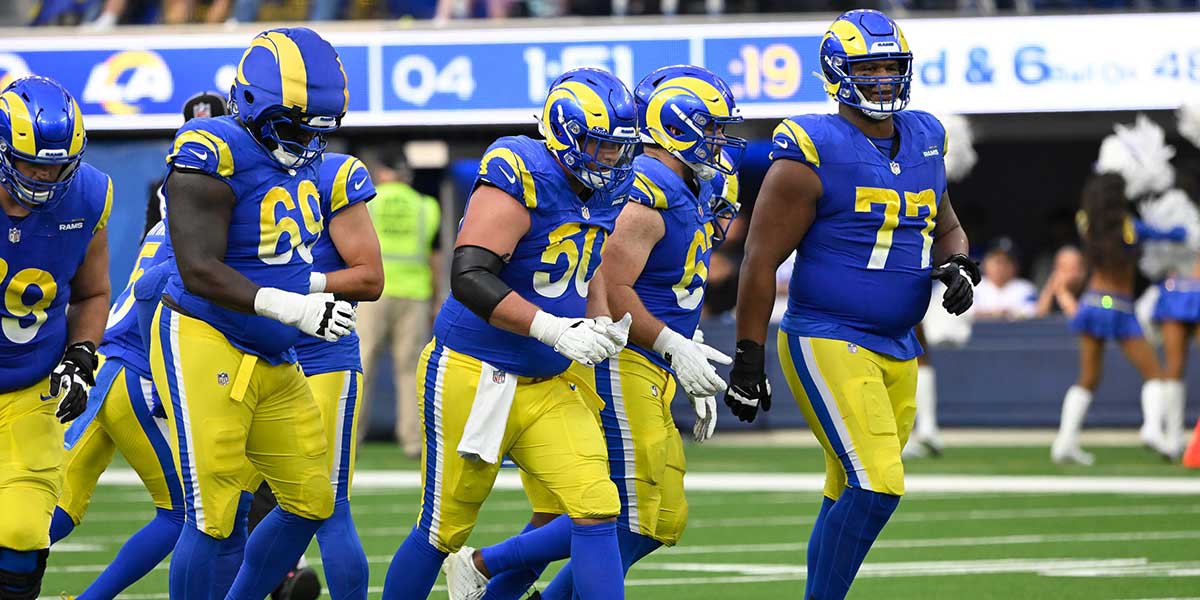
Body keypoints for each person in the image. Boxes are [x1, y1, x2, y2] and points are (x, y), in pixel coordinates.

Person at [451, 65, 744, 600]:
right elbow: (606, 278)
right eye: (713, 128)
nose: (721, 143)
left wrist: (686, 347)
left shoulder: (683, 181)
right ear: (677, 122)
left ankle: (490, 570)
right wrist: (667, 344)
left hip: (651, 362)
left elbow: (668, 285)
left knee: (656, 519)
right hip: (619, 354)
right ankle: (484, 565)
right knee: (619, 514)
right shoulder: (647, 185)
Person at [723, 10, 978, 600]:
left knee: (847, 487)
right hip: (828, 334)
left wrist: (962, 265)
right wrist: (747, 357)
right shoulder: (811, 148)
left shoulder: (925, 137)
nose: (885, 78)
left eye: (893, 66)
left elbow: (948, 228)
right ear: (839, 73)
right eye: (871, 67)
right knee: (878, 485)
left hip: (899, 343)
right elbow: (759, 262)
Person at [380, 67, 638, 600]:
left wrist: (597, 321)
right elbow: (470, 275)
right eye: (599, 145)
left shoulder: (609, 190)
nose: (610, 159)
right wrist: (553, 330)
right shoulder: (520, 169)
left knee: (596, 507)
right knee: (443, 529)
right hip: (477, 370)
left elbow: (585, 269)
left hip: (548, 380)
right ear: (565, 135)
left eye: (617, 147)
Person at [147, 27, 357, 599]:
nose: (308, 143)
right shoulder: (209, 149)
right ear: (251, 104)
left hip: (273, 348)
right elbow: (198, 269)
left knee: (312, 499)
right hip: (205, 334)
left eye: (319, 129)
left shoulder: (306, 163)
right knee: (214, 513)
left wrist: (297, 299)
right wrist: (294, 305)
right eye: (295, 127)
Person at [48, 90, 226, 600]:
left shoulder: (164, 225)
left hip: (99, 367)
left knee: (58, 508)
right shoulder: (196, 243)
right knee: (181, 514)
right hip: (126, 373)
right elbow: (155, 295)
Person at [245, 151, 382, 600]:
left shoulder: (333, 173)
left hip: (319, 354)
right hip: (251, 352)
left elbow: (369, 278)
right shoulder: (234, 168)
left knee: (328, 507)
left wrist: (296, 287)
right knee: (223, 512)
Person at [0, 75, 111, 599]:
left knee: (23, 530)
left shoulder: (88, 196)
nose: (45, 175)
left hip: (29, 387)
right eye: (31, 163)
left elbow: (92, 295)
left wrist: (82, 355)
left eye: (57, 164)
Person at [1050, 174, 1175, 465]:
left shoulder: (1087, 224)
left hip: (1092, 303)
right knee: (1154, 374)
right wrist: (1181, 232)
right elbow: (1160, 234)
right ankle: (1153, 428)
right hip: (1118, 306)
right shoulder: (1129, 227)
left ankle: (1064, 442)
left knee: (1088, 378)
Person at [354, 150, 441, 455]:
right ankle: (413, 443)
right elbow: (435, 256)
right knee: (410, 371)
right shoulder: (425, 205)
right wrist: (435, 297)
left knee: (362, 364)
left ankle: (352, 437)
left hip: (372, 293)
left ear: (381, 171)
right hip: (414, 295)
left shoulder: (369, 201)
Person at [973, 240, 1037, 320]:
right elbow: (964, 313)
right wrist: (998, 314)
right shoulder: (972, 286)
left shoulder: (1025, 288)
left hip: (1014, 332)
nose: (1001, 267)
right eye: (997, 261)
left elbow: (1033, 312)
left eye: (1007, 261)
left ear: (1015, 266)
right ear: (985, 263)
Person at [1035, 245, 1085, 318]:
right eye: (1063, 268)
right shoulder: (1053, 287)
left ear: (1082, 271)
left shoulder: (1088, 289)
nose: (1068, 274)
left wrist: (1062, 292)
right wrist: (1050, 289)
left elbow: (1078, 318)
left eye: (1073, 268)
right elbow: (1039, 315)